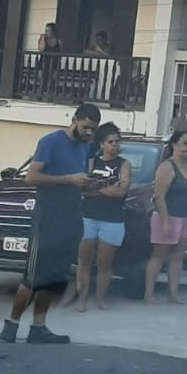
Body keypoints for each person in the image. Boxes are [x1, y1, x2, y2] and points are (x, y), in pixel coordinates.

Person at [0, 103, 100, 345]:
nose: (88, 134)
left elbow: (77, 181)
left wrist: (91, 185)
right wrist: (69, 179)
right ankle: (11, 326)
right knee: (34, 276)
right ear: (74, 119)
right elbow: (31, 177)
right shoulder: (50, 142)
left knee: (55, 277)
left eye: (92, 130)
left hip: (71, 218)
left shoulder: (84, 148)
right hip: (48, 219)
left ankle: (39, 327)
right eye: (86, 127)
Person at [64, 123, 130, 312]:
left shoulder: (124, 164)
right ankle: (82, 300)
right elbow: (83, 188)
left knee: (104, 263)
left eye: (117, 142)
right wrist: (108, 187)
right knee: (83, 261)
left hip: (112, 219)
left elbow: (122, 190)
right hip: (88, 217)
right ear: (102, 144)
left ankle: (101, 299)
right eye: (111, 142)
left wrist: (97, 188)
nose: (115, 145)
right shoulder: (92, 163)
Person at [144, 131, 187, 305]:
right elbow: (159, 196)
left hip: (186, 217)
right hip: (168, 216)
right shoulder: (167, 167)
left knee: (178, 256)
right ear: (174, 145)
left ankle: (173, 294)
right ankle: (148, 294)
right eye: (185, 143)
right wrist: (165, 221)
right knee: (158, 256)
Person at [37, 22, 62, 95]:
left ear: (53, 31)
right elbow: (41, 49)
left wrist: (58, 65)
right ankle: (39, 96)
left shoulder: (58, 41)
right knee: (42, 81)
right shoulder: (42, 39)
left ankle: (49, 97)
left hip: (54, 65)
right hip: (43, 64)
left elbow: (61, 53)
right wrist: (42, 38)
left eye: (48, 30)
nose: (46, 32)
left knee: (51, 82)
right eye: (45, 30)